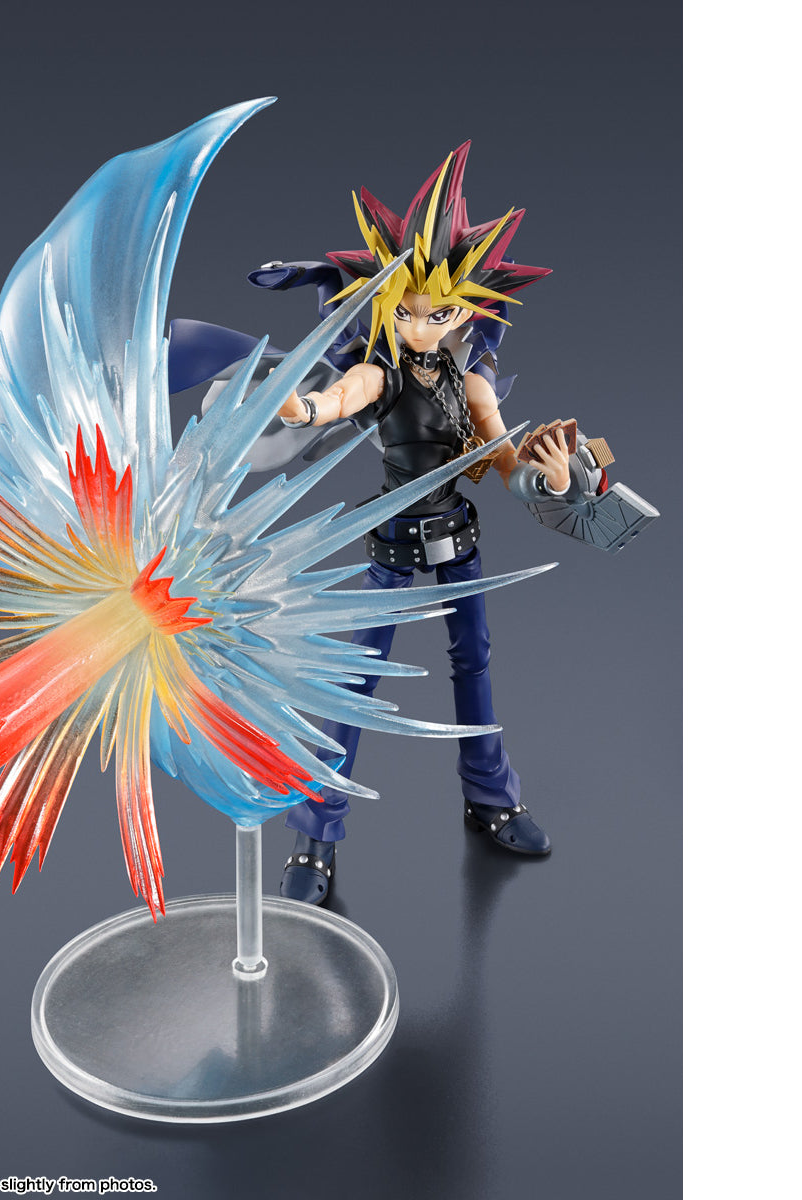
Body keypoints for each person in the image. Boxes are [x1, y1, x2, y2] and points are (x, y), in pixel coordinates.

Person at [267, 142, 572, 904]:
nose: (420, 324)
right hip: (395, 546)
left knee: (475, 665)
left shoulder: (473, 384)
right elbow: (336, 401)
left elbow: (508, 467)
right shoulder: (381, 370)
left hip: (458, 539)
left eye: (438, 313)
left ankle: (491, 797)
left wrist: (552, 477)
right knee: (357, 683)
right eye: (405, 310)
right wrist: (297, 405)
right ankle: (316, 837)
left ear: (464, 310)